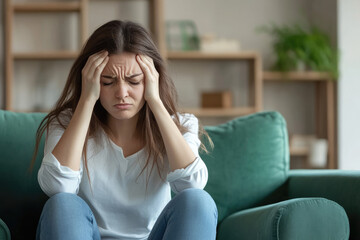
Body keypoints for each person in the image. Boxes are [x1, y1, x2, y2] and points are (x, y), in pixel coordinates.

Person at [32, 20, 218, 240]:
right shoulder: (65, 122)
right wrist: (86, 100)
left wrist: (156, 102)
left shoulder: (181, 124)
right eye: (107, 82)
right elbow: (57, 186)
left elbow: (192, 184)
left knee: (197, 200)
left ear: (151, 80)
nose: (121, 93)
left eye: (134, 81)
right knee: (62, 204)